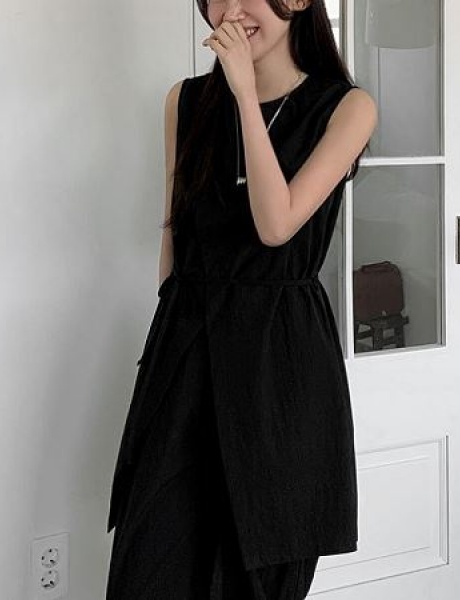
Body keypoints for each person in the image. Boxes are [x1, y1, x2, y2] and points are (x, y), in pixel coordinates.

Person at [105, 0, 377, 598]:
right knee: (150, 559)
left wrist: (246, 96)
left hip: (279, 359)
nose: (229, 11)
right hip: (188, 344)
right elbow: (174, 232)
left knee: (262, 564)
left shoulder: (347, 108)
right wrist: (169, 337)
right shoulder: (184, 101)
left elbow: (276, 226)